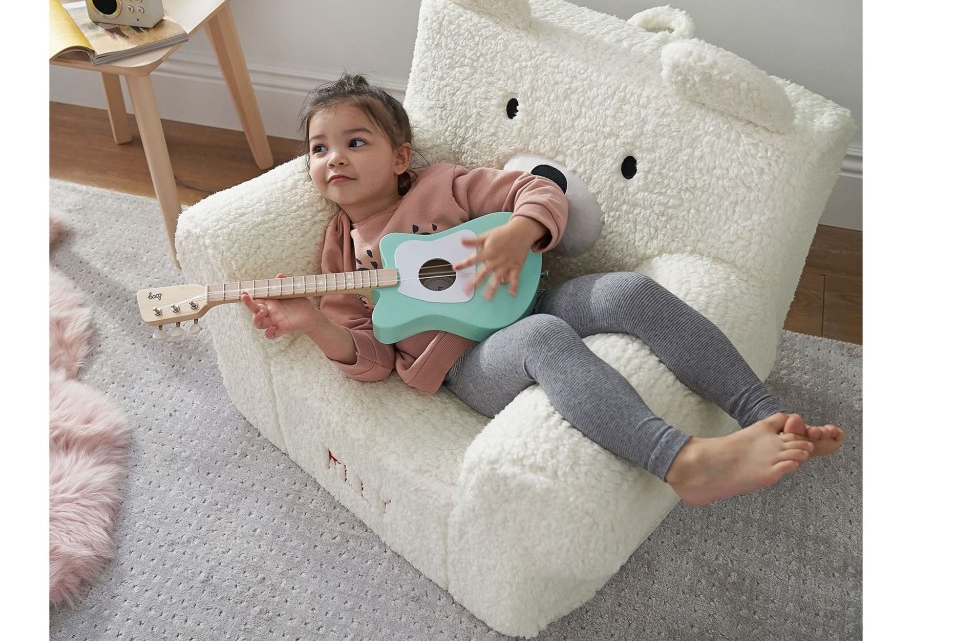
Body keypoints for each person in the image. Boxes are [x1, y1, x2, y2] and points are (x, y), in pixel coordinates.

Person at [241, 73, 843, 506]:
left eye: (355, 141)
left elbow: (539, 190)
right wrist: (314, 325)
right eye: (318, 149)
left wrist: (519, 231)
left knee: (628, 292)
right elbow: (372, 360)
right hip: (468, 362)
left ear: (401, 158)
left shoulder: (446, 185)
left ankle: (766, 416)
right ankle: (680, 461)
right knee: (543, 337)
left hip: (531, 293)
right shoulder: (342, 255)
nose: (333, 158)